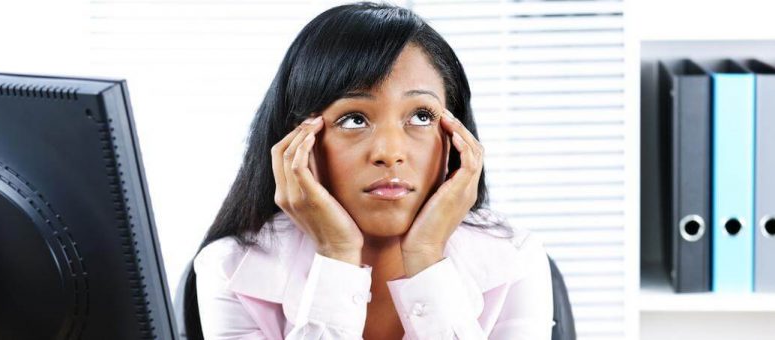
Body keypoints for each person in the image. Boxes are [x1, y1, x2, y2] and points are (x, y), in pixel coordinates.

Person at [185, 2, 553, 339]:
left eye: (422, 116)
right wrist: (337, 254)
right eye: (354, 119)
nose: (389, 152)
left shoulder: (514, 259)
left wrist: (427, 257)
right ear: (297, 142)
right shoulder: (232, 269)